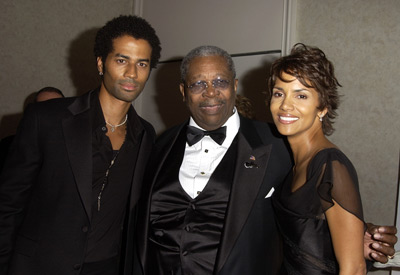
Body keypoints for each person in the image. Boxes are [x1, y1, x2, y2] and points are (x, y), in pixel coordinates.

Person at [135, 45, 397, 275]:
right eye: (198, 84)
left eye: (220, 82)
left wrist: (359, 237)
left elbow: (319, 208)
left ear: (235, 86)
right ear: (183, 90)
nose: (210, 93)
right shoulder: (160, 144)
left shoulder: (277, 148)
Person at [0, 15, 161, 275]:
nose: (132, 73)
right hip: (39, 267)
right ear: (101, 63)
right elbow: (8, 206)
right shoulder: (48, 118)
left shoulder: (146, 135)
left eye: (142, 64)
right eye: (122, 60)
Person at [267, 43, 383, 274]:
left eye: (301, 95)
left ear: (322, 108)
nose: (285, 105)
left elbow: (354, 268)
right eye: (279, 93)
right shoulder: (292, 162)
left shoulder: (331, 166)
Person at [0, 86, 65, 173]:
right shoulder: (8, 145)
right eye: (43, 108)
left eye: (55, 108)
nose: (50, 114)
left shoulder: (76, 146)